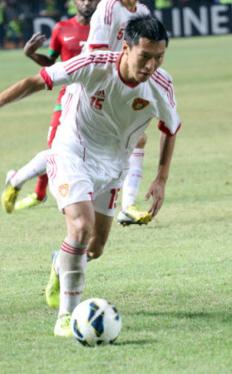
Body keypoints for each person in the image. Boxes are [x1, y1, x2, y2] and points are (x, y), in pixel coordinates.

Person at [0, 14, 180, 336]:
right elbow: (37, 80)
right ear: (126, 48)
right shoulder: (93, 64)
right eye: (145, 56)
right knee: (80, 226)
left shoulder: (161, 84)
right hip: (72, 151)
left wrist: (161, 179)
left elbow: (170, 128)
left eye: (159, 57)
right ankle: (66, 317)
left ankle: (60, 262)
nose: (151, 65)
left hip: (115, 166)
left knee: (95, 247)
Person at [1, 0, 99, 214]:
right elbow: (51, 63)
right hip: (67, 98)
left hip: (97, 100)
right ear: (74, 2)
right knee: (54, 148)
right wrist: (31, 55)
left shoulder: (104, 28)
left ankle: (25, 185)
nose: (87, 2)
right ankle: (37, 192)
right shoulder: (62, 28)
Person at [86, 0, 152, 226]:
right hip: (97, 85)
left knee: (137, 139)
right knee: (86, 146)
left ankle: (126, 207)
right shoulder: (108, 8)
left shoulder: (142, 11)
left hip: (121, 86)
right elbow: (97, 54)